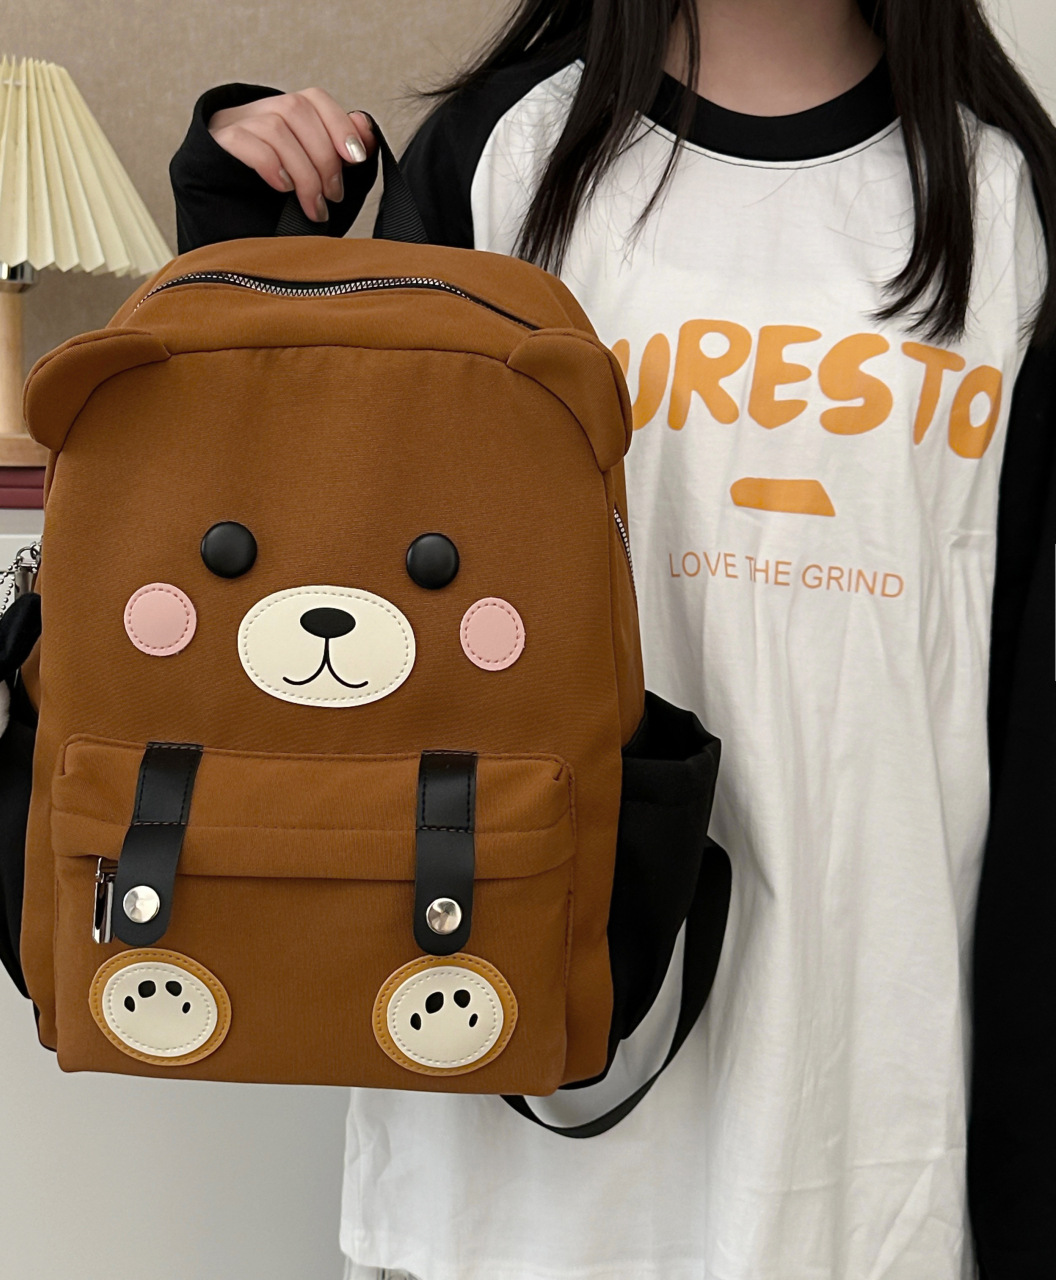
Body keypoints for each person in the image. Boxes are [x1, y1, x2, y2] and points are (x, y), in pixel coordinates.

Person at [169, 1, 1056, 1275]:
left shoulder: (1005, 198)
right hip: (520, 1096)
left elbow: (1029, 724)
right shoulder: (502, 154)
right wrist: (246, 244)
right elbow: (312, 582)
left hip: (861, 1100)